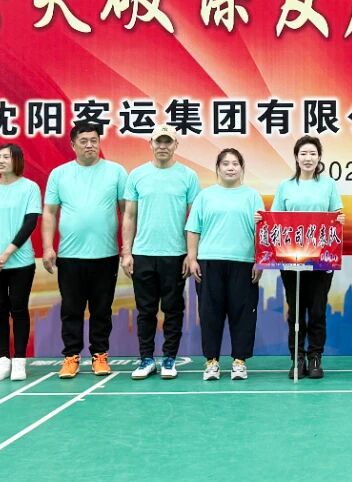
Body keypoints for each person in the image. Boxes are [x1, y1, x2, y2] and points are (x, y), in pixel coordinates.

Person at [42, 121, 127, 379]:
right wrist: (48, 247)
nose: (89, 145)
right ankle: (71, 357)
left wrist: (127, 247)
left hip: (106, 255)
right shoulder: (59, 174)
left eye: (94, 140)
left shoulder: (116, 172)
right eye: (83, 141)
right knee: (71, 309)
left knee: (102, 309)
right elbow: (50, 212)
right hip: (70, 256)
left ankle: (100, 355)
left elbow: (127, 212)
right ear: (73, 145)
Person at [122, 125, 200, 380]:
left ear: (176, 145)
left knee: (173, 309)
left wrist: (191, 254)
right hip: (143, 253)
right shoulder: (137, 175)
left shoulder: (188, 176)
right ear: (151, 143)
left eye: (168, 142)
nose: (163, 146)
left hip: (175, 254)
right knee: (145, 310)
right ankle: (146, 359)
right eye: (159, 141)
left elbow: (195, 219)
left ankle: (169, 359)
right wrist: (127, 252)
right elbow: (129, 215)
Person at [184, 148, 265, 381]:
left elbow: (261, 231)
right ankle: (212, 362)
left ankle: (239, 361)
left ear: (242, 168)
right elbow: (193, 229)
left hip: (243, 263)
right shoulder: (205, 196)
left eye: (235, 163)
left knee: (243, 314)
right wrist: (192, 258)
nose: (231, 168)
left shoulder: (252, 196)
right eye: (226, 163)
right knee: (210, 313)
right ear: (218, 168)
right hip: (209, 262)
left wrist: (259, 260)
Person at [272, 135, 344, 379]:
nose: (308, 158)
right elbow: (275, 220)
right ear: (296, 157)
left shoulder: (328, 185)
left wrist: (339, 219)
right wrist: (263, 220)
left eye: (313, 153)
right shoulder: (285, 186)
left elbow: (336, 215)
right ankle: (297, 357)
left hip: (321, 259)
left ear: (319, 157)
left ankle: (315, 357)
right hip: (291, 258)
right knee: (295, 311)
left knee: (317, 310)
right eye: (303, 153)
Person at [0, 143, 42, 382]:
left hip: (20, 262)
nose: (1, 161)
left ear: (17, 161)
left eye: (6, 157)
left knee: (19, 308)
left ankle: (19, 361)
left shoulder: (29, 188)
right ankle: (2, 360)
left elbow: (30, 223)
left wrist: (7, 253)